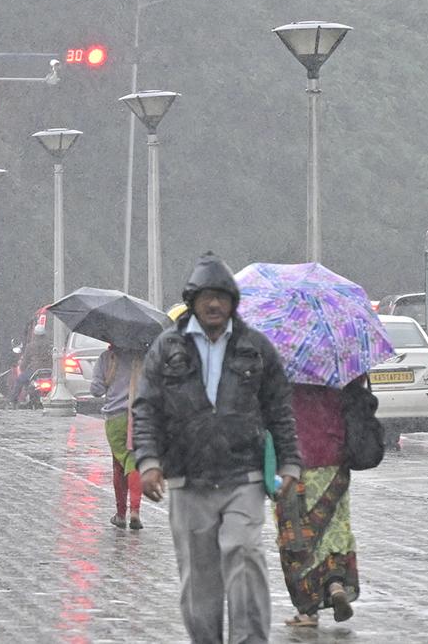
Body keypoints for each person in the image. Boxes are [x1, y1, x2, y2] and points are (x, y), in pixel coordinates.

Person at [132, 252, 302, 644]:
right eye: (206, 296)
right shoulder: (166, 349)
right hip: (187, 479)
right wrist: (148, 462)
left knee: (244, 555)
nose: (213, 304)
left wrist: (290, 463)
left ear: (232, 303)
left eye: (221, 297)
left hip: (243, 476)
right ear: (192, 301)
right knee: (199, 580)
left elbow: (279, 407)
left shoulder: (255, 348)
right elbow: (147, 409)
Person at [276, 379, 362, 627]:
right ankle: (336, 585)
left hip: (295, 460)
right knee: (334, 527)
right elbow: (357, 390)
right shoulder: (340, 364)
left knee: (296, 536)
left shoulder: (284, 363)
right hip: (335, 456)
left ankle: (307, 610)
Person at [90, 344, 145, 530]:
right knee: (135, 461)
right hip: (140, 416)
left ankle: (121, 514)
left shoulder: (107, 358)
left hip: (115, 419)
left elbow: (95, 390)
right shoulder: (145, 358)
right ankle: (135, 511)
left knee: (119, 465)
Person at [8, 331, 55, 408]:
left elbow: (25, 361)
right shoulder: (50, 345)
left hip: (35, 371)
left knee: (19, 380)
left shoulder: (30, 346)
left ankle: (13, 400)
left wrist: (22, 368)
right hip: (50, 371)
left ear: (35, 335)